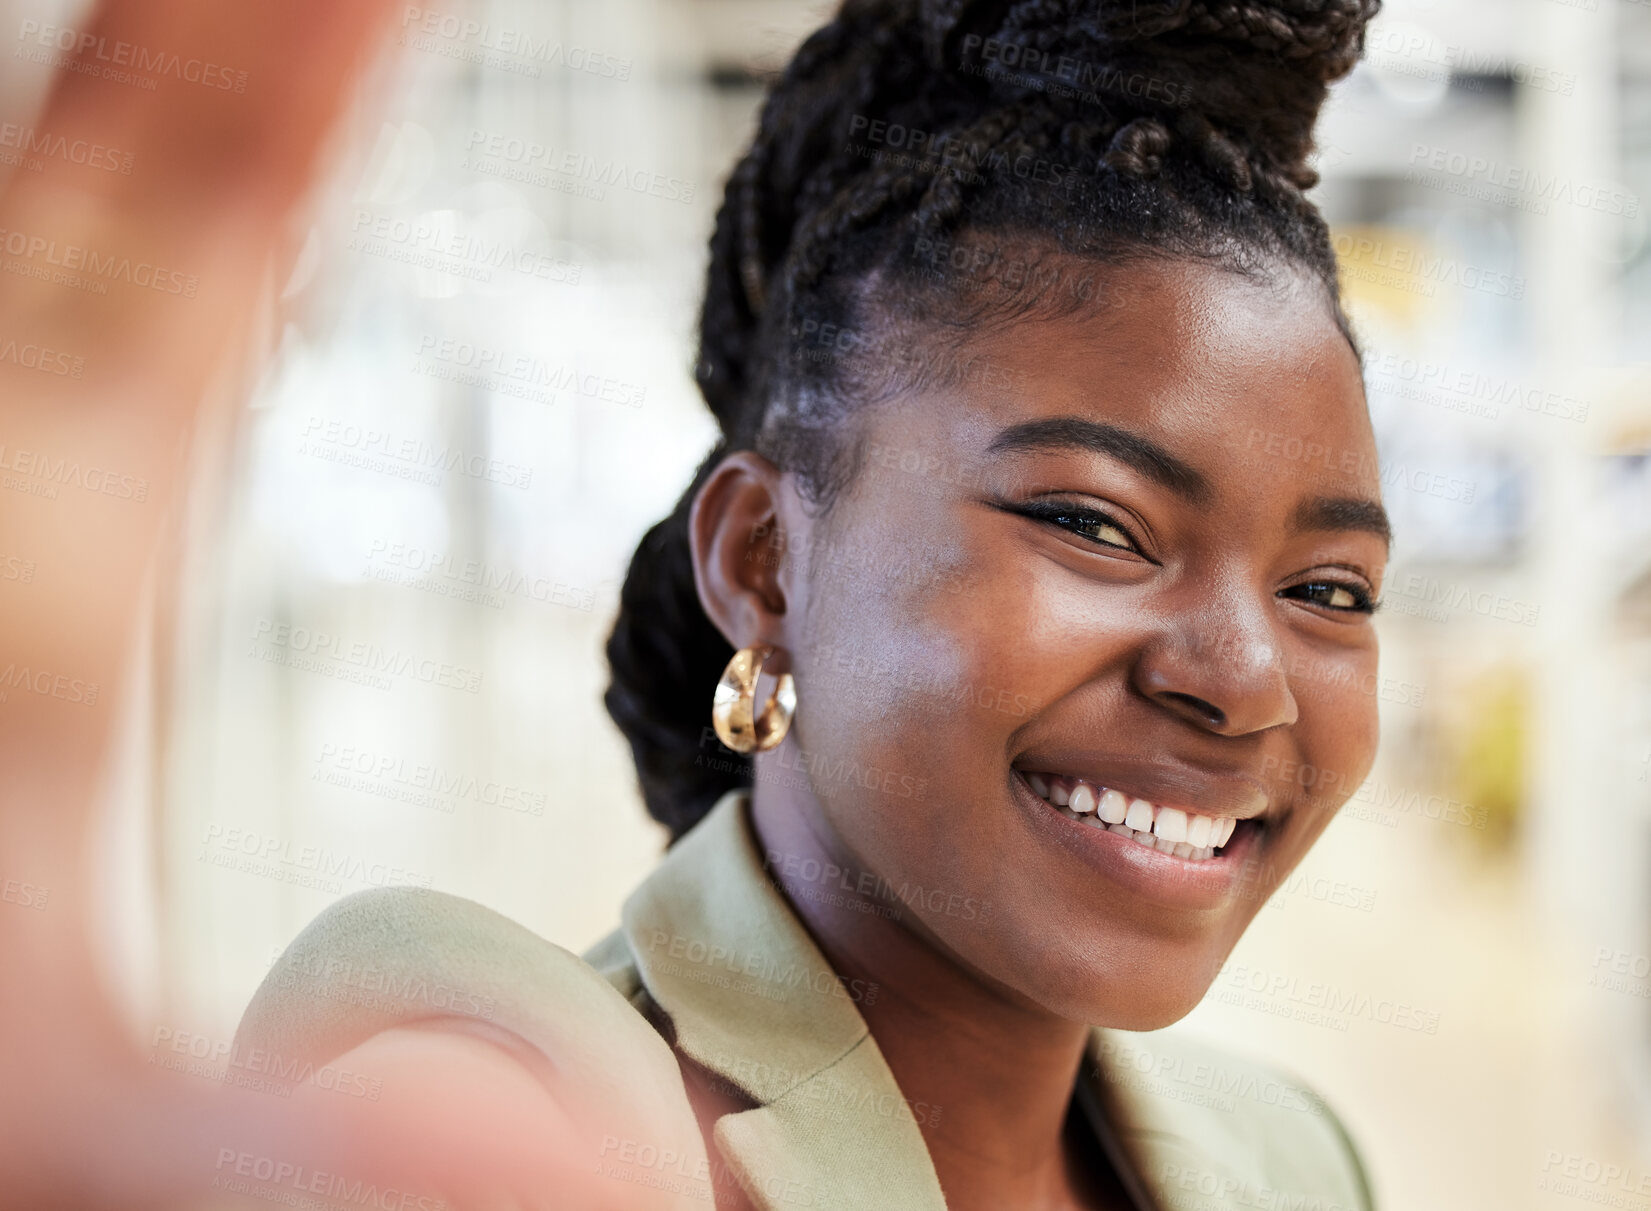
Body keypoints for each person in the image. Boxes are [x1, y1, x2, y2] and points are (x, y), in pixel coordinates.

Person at [238, 1, 1391, 1208]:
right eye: (1094, 524)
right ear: (765, 559)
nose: (1245, 677)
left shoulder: (1297, 1158)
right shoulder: (518, 1133)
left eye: (1326, 588)